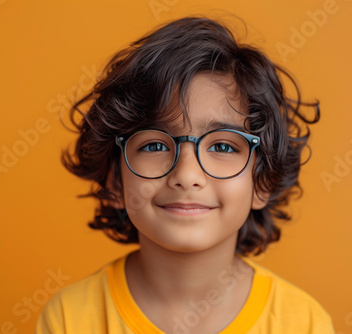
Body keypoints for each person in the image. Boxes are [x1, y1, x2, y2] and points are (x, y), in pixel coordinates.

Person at [36, 15, 335, 334]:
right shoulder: (69, 320)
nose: (187, 175)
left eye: (222, 147)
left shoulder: (304, 324)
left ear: (262, 181)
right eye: (153, 146)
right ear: (114, 181)